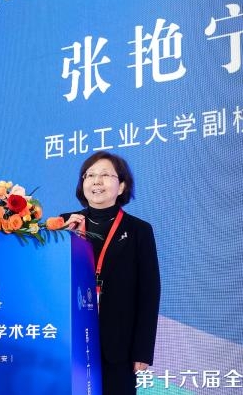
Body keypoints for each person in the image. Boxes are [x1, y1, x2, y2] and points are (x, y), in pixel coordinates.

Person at [61, 151, 161, 395]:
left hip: (118, 346)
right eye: (90, 175)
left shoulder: (139, 230)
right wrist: (65, 237)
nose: (96, 181)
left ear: (122, 186)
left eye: (105, 175)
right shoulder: (64, 224)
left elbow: (149, 293)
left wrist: (142, 350)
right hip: (68, 341)